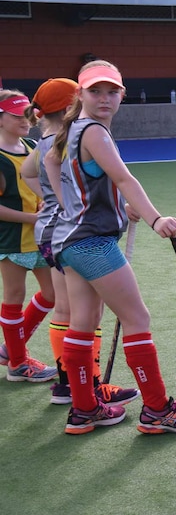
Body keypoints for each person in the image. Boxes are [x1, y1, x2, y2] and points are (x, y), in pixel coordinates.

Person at [46, 60, 176, 434]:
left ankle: (85, 409)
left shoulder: (70, 129)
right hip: (92, 243)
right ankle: (157, 411)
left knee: (83, 323)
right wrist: (154, 219)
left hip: (68, 240)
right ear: (80, 94)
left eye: (111, 91)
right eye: (95, 91)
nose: (105, 98)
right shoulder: (96, 134)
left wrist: (105, 208)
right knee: (138, 320)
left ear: (122, 94)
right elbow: (123, 177)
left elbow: (56, 167)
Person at [19, 78, 139, 406]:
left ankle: (69, 384)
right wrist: (62, 199)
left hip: (51, 231)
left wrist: (48, 196)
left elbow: (29, 172)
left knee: (67, 309)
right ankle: (81, 383)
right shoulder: (70, 137)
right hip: (73, 232)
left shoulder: (44, 139)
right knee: (82, 311)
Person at [0, 90, 59, 383]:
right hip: (10, 237)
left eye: (27, 113)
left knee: (52, 294)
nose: (25, 119)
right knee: (14, 295)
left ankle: (10, 349)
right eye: (15, 114)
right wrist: (33, 217)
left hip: (39, 235)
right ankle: (18, 363)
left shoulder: (32, 145)